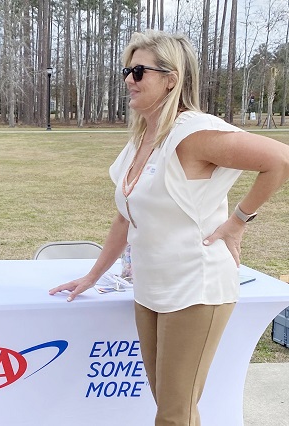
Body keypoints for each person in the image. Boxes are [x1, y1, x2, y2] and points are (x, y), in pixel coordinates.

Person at [49, 30, 289, 425]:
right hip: (151, 288)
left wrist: (238, 222)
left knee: (174, 415)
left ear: (171, 78)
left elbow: (279, 159)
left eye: (139, 71)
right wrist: (94, 274)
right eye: (127, 70)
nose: (129, 79)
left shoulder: (193, 133)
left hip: (196, 288)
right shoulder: (142, 136)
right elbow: (127, 214)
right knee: (171, 408)